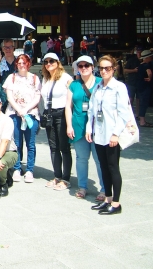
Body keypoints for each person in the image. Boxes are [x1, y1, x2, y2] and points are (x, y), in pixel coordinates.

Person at [86, 55, 130, 215]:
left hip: (112, 133)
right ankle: (108, 199)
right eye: (101, 68)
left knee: (113, 167)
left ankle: (116, 203)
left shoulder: (119, 87)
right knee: (103, 167)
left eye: (107, 68)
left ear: (114, 69)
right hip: (99, 132)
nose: (104, 71)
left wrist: (115, 134)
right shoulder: (98, 87)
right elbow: (91, 109)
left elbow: (123, 113)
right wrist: (89, 128)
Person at [65, 55, 105, 201]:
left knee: (99, 159)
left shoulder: (100, 82)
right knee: (81, 158)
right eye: (80, 66)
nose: (83, 68)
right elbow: (68, 107)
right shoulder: (74, 85)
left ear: (92, 67)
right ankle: (82, 186)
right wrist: (69, 125)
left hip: (97, 126)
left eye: (86, 65)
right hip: (78, 125)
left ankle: (104, 188)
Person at [2, 53, 41, 184]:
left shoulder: (35, 78)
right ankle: (17, 168)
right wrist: (19, 110)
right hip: (15, 113)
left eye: (24, 63)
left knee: (31, 143)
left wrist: (26, 109)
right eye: (19, 63)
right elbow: (9, 96)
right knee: (16, 143)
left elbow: (37, 97)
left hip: (31, 114)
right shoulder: (11, 78)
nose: (22, 65)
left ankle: (30, 169)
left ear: (29, 64)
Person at [41, 52, 73, 191]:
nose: (49, 64)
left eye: (52, 61)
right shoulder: (46, 78)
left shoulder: (66, 78)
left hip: (61, 113)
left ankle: (66, 178)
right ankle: (57, 176)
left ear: (58, 62)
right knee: (53, 147)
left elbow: (71, 99)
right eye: (46, 61)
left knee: (64, 148)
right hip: (49, 114)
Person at [0, 38, 18, 113]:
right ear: (2, 49)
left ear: (13, 48)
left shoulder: (19, 62)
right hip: (2, 96)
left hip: (17, 96)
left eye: (10, 47)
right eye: (5, 47)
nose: (7, 49)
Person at [136, 50, 153, 127]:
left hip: (139, 85)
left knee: (142, 102)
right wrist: (150, 78)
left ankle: (142, 120)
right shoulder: (147, 65)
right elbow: (149, 73)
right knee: (144, 103)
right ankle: (142, 121)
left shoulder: (140, 65)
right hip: (145, 86)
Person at [123, 47, 142, 116]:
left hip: (141, 82)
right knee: (130, 99)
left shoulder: (144, 60)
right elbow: (125, 70)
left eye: (140, 52)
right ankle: (128, 114)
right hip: (132, 82)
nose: (139, 53)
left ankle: (137, 114)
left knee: (139, 100)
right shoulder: (131, 60)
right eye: (138, 52)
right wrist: (134, 70)